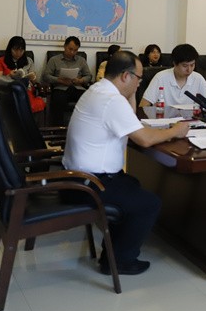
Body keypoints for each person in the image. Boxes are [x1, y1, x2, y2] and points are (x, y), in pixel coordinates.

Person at [62, 51, 189, 275]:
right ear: (125, 76)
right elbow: (144, 139)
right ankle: (119, 261)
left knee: (132, 184)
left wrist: (132, 91)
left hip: (77, 177)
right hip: (88, 184)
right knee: (149, 203)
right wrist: (175, 131)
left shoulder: (99, 90)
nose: (139, 83)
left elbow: (130, 119)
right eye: (138, 78)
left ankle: (113, 252)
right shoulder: (110, 100)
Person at [140, 44, 206, 107]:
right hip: (165, 118)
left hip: (191, 118)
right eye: (185, 66)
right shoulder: (160, 78)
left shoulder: (198, 78)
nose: (189, 70)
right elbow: (143, 106)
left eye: (192, 65)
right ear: (174, 63)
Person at [42, 36, 92, 125]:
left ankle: (83, 126)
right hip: (60, 88)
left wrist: (80, 80)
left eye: (75, 50)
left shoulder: (81, 60)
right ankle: (58, 128)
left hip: (77, 87)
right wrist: (59, 80)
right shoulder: (54, 60)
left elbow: (89, 76)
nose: (72, 52)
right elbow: (46, 76)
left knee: (88, 100)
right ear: (65, 46)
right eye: (70, 49)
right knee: (58, 101)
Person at [0, 35, 45, 113]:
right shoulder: (0, 61)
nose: (18, 53)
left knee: (34, 102)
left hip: (26, 90)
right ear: (10, 49)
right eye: (15, 50)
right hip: (8, 91)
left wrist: (33, 78)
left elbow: (35, 82)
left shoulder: (28, 61)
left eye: (21, 50)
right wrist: (9, 76)